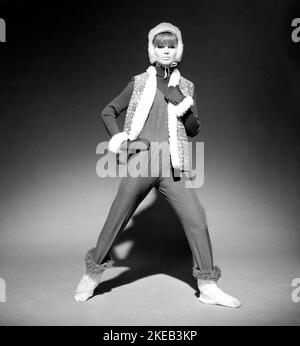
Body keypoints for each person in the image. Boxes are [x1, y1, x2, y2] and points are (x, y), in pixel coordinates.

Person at [74, 22, 241, 308]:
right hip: (142, 160)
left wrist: (182, 104)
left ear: (179, 50)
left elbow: (194, 129)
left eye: (171, 46)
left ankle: (208, 285)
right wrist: (124, 142)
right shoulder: (139, 82)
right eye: (160, 46)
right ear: (152, 50)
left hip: (172, 164)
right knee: (117, 218)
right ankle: (91, 276)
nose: (166, 51)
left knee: (197, 219)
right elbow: (108, 111)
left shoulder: (186, 86)